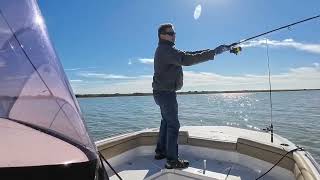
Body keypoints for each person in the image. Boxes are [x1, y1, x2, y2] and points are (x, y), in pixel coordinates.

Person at [152, 23, 230, 169]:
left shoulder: (167, 49)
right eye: (171, 33)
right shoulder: (165, 50)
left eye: (174, 32)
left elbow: (188, 54)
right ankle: (172, 161)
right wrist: (214, 53)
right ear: (162, 35)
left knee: (166, 122)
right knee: (173, 125)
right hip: (166, 94)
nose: (174, 34)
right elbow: (187, 59)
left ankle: (160, 152)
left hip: (161, 93)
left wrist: (213, 51)